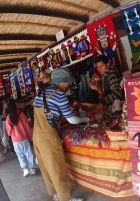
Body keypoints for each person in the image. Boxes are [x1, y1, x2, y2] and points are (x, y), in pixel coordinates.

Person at [34, 68, 89, 201]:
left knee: (47, 169)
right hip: (49, 137)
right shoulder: (59, 95)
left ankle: (56, 195)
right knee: (57, 169)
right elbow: (72, 120)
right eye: (67, 82)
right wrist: (87, 119)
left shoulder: (40, 92)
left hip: (36, 136)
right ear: (60, 82)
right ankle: (66, 198)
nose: (68, 85)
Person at [6, 99, 36, 177]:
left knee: (20, 155)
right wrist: (30, 137)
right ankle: (32, 169)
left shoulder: (8, 117)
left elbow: (9, 132)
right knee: (29, 153)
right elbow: (27, 127)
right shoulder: (22, 114)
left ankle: (25, 169)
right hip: (24, 138)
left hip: (15, 140)